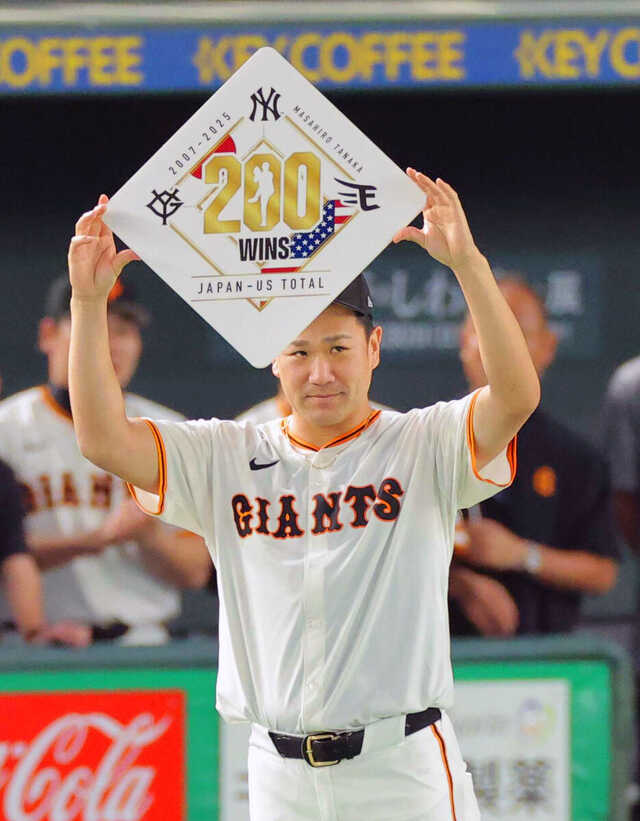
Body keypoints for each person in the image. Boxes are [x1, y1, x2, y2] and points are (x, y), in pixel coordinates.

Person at [67, 170, 540, 820]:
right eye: (299, 351)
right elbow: (102, 439)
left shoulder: (421, 443)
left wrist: (468, 265)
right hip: (279, 775)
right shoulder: (226, 455)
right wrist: (87, 304)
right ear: (274, 359)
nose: (321, 372)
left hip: (400, 767)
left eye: (339, 347)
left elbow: (515, 397)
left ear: (374, 347)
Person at [0, 275, 211, 645]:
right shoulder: (6, 429)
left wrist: (150, 538)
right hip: (33, 648)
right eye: (95, 326)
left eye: (124, 331)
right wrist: (94, 540)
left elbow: (196, 571)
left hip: (142, 645)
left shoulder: (170, 432)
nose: (111, 345)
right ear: (48, 335)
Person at [449, 278, 618, 637]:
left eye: (518, 333)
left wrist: (521, 554)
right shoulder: (426, 442)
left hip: (545, 657)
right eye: (486, 330)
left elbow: (603, 572)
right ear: (464, 342)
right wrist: (458, 583)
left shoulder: (576, 459)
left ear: (548, 346)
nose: (500, 347)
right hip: (446, 657)